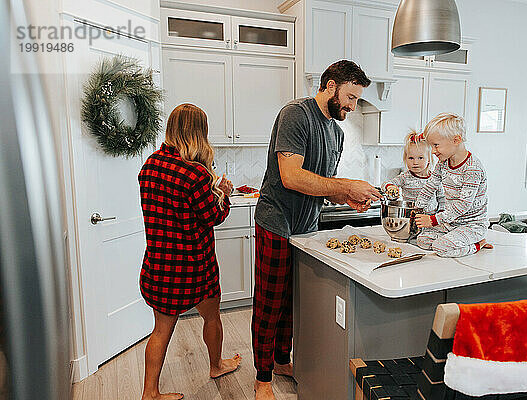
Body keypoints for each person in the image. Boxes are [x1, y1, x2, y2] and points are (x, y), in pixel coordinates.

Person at [252, 60, 381, 400]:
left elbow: (320, 185)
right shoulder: (296, 115)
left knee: (294, 302)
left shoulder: (336, 131)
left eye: (356, 100)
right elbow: (291, 177)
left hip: (308, 230)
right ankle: (262, 377)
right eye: (350, 97)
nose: (353, 107)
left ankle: (282, 360)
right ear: (329, 86)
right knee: (270, 302)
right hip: (277, 222)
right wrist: (346, 184)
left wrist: (346, 196)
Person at [138, 104, 241, 400]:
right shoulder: (194, 173)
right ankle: (216, 365)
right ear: (200, 133)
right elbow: (213, 216)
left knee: (160, 330)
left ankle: (150, 393)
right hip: (195, 267)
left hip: (159, 264)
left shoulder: (150, 165)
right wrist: (224, 194)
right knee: (212, 317)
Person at [414, 113, 493, 258]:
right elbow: (431, 184)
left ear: (456, 140)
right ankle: (457, 241)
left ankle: (477, 244)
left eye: (436, 145)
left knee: (441, 248)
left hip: (472, 225)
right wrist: (417, 207)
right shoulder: (443, 162)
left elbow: (463, 205)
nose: (433, 151)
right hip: (451, 222)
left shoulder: (472, 169)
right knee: (423, 240)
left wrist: (433, 220)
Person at [381, 130, 444, 214]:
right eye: (411, 158)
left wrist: (441, 214)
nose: (415, 162)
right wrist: (390, 187)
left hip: (431, 220)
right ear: (405, 159)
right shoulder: (405, 177)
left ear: (429, 159)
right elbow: (385, 184)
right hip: (410, 218)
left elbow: (441, 198)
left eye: (420, 158)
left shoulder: (435, 178)